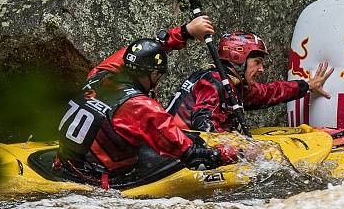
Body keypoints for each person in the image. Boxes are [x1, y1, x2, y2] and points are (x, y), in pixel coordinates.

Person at [55, 17, 238, 188]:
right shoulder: (140, 107)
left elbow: (134, 53)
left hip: (65, 163)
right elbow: (192, 155)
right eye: (158, 75)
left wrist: (186, 31)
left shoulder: (99, 74)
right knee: (194, 142)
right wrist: (234, 154)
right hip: (101, 180)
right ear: (153, 74)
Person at [166, 31, 334, 132]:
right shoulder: (214, 83)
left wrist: (306, 86)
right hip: (169, 161)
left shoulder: (230, 83)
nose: (261, 70)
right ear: (238, 59)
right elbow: (205, 129)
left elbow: (268, 92)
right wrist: (242, 149)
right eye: (257, 62)